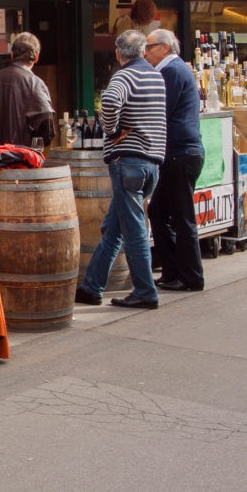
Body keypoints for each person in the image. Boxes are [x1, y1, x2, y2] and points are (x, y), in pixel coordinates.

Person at [74, 30, 166, 309]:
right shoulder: (156, 76)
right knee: (113, 227)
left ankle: (145, 291)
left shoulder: (124, 76)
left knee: (134, 230)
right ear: (142, 51)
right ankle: (92, 287)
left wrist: (112, 132)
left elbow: (111, 102)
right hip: (151, 163)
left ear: (117, 53)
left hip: (129, 161)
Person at [142, 30, 205, 292]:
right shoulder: (173, 70)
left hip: (181, 153)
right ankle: (171, 272)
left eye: (150, 47)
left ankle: (191, 277)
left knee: (182, 217)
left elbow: (159, 110)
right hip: (178, 153)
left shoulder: (172, 72)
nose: (145, 52)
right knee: (158, 211)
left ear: (165, 47)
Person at [0, 32, 56, 147]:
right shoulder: (34, 83)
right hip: (21, 156)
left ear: (12, 55)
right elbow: (46, 120)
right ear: (36, 57)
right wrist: (36, 143)